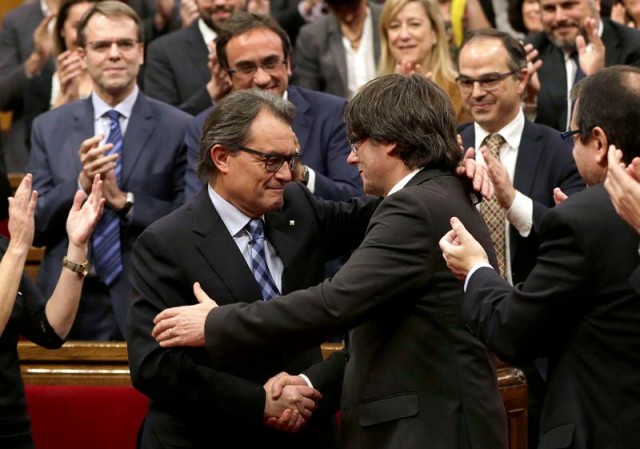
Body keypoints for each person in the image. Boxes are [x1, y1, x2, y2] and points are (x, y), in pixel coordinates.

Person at [154, 75, 507, 449]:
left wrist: (216, 322)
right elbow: (384, 334)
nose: (350, 157)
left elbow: (333, 303)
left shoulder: (414, 206)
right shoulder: (439, 192)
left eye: (357, 142)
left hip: (432, 431)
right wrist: (308, 385)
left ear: (391, 141)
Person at [128, 88, 382, 449]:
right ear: (222, 157)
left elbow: (372, 215)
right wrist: (258, 402)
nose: (286, 175)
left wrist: (444, 176)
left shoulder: (296, 206)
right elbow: (154, 367)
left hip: (305, 431)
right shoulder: (167, 243)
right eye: (271, 160)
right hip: (211, 434)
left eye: (291, 160)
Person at [440, 65, 640, 449]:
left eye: (573, 136)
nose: (570, 148)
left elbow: (514, 331)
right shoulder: (586, 216)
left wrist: (475, 270)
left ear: (598, 142)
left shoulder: (583, 219)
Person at [27, 1, 191, 340]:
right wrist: (81, 183)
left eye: (125, 44)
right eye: (101, 45)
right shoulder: (49, 126)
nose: (114, 54)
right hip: (64, 296)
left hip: (147, 299)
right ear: (83, 55)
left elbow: (190, 223)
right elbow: (37, 226)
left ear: (141, 52)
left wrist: (125, 201)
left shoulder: (180, 127)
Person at [456, 28, 585, 448]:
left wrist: (513, 201)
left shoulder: (560, 148)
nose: (477, 92)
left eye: (489, 79)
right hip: (464, 336)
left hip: (539, 338)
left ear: (521, 77)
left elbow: (579, 237)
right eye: (467, 81)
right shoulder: (448, 148)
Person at [184, 12, 363, 201]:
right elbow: (196, 207)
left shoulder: (331, 112)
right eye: (246, 68)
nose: (262, 78)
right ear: (227, 74)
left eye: (271, 63)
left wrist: (302, 174)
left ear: (288, 64)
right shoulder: (203, 127)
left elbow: (354, 200)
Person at [0, 173, 104, 449]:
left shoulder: (2, 249)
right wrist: (19, 245)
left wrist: (77, 245)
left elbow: (51, 329)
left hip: (10, 427)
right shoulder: (11, 251)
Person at [526, 0, 640, 131]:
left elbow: (632, 129)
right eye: (549, 9)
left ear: (596, 3)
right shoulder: (531, 53)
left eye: (569, 5)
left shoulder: (634, 46)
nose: (559, 17)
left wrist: (597, 81)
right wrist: (528, 102)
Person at [378, 0, 471, 124]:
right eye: (394, 26)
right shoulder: (372, 97)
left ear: (435, 33)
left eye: (414, 24)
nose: (404, 35)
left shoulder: (462, 93)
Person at [24, 0, 100, 150]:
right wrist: (64, 99)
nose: (84, 36)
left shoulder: (117, 78)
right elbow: (33, 144)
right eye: (77, 26)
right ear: (62, 29)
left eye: (91, 27)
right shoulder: (40, 83)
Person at [143, 0, 242, 115]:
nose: (220, 2)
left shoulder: (264, 40)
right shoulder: (163, 50)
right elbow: (161, 124)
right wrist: (211, 93)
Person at [0, 0, 58, 172]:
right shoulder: (17, 20)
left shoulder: (97, 12)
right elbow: (2, 96)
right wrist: (36, 60)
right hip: (27, 143)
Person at [292, 0, 382, 99]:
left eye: (354, 8)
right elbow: (308, 94)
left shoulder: (389, 20)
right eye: (339, 10)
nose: (349, 17)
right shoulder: (312, 36)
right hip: (338, 112)